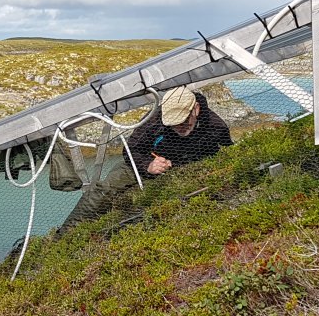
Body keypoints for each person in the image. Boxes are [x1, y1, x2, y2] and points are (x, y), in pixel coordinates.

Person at [57, 86, 233, 235]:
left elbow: (227, 154)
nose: (179, 126)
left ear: (195, 109)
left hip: (185, 171)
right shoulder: (155, 119)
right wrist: (148, 165)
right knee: (102, 192)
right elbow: (131, 149)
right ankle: (63, 236)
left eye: (183, 120)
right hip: (143, 163)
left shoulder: (216, 126)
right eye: (173, 123)